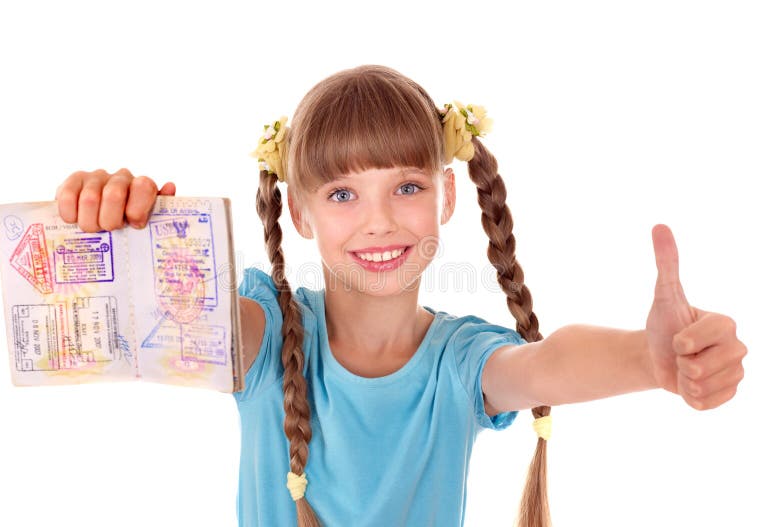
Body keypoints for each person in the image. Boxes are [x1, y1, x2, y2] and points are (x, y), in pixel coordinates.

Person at [54, 64, 747, 527]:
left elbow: (546, 363)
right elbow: (184, 307)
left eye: (407, 187)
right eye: (343, 193)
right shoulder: (268, 331)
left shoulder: (458, 361)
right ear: (299, 211)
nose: (379, 219)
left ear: (446, 194)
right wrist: (122, 223)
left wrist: (646, 361)